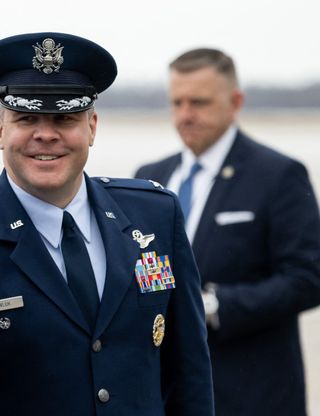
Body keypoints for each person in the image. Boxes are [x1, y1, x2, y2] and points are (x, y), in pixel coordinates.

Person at [0, 32, 214, 415]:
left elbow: (189, 374)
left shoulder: (154, 214)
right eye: (26, 118)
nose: (46, 134)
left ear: (91, 127)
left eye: (64, 118)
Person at [135, 48, 320, 416]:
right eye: (178, 102)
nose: (185, 115)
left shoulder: (279, 175)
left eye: (199, 102)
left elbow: (308, 278)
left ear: (235, 102)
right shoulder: (148, 177)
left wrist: (215, 307)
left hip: (251, 392)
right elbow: (144, 264)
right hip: (162, 392)